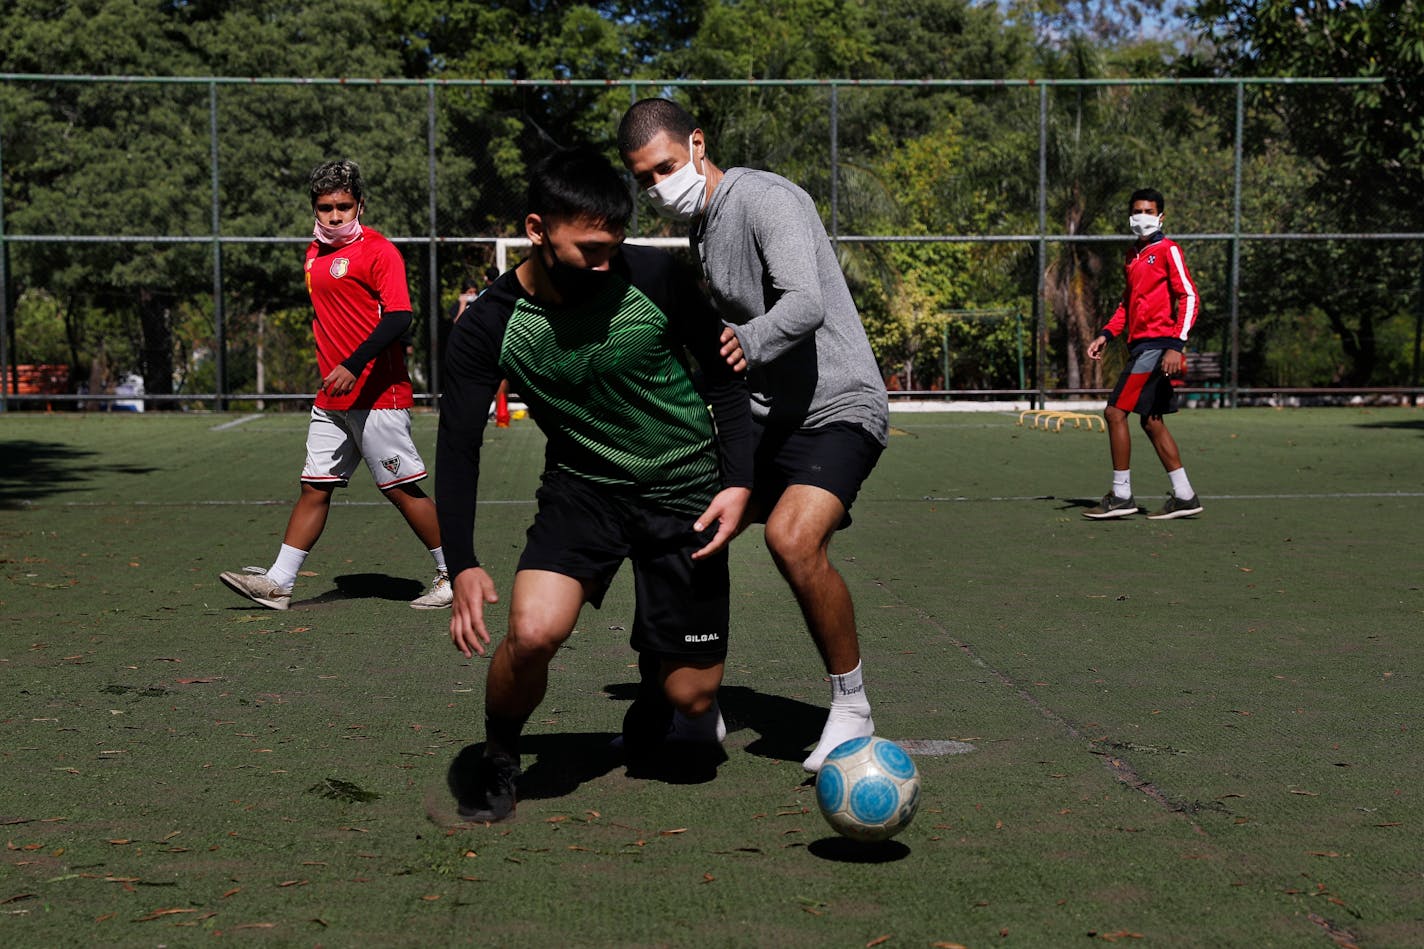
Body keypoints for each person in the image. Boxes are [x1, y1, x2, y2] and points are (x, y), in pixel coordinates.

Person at [436, 146, 754, 822]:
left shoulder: (657, 277)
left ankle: (655, 683)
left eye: (612, 244)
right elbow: (457, 448)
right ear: (536, 228)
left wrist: (739, 481)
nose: (604, 261)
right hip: (584, 490)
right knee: (531, 631)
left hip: (685, 490)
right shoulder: (488, 326)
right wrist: (459, 562)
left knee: (693, 699)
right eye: (586, 247)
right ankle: (499, 754)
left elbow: (726, 374)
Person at [618, 98, 890, 773]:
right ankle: (689, 707)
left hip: (840, 404)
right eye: (643, 178)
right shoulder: (702, 230)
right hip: (771, 415)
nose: (657, 188)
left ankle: (852, 706)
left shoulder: (768, 198)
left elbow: (804, 303)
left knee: (792, 537)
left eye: (666, 168)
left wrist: (746, 339)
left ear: (699, 145)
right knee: (683, 521)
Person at [219, 159, 453, 611]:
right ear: (314, 206)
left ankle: (454, 572)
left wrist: (353, 363)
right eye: (325, 207)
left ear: (359, 204)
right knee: (315, 486)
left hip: (378, 396)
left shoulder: (379, 251)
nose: (334, 215)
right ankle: (279, 584)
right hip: (332, 398)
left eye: (344, 206)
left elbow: (401, 316)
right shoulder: (314, 253)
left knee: (400, 489)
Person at [1083, 188, 1204, 520]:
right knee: (1151, 422)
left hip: (1156, 348)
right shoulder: (1132, 255)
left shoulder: (1168, 250)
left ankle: (1121, 495)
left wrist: (1175, 346)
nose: (1143, 217)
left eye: (1150, 211)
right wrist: (1107, 333)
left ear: (1161, 216)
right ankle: (1185, 495)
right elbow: (1127, 303)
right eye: (1138, 211)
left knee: (1114, 413)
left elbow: (1189, 297)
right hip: (1140, 346)